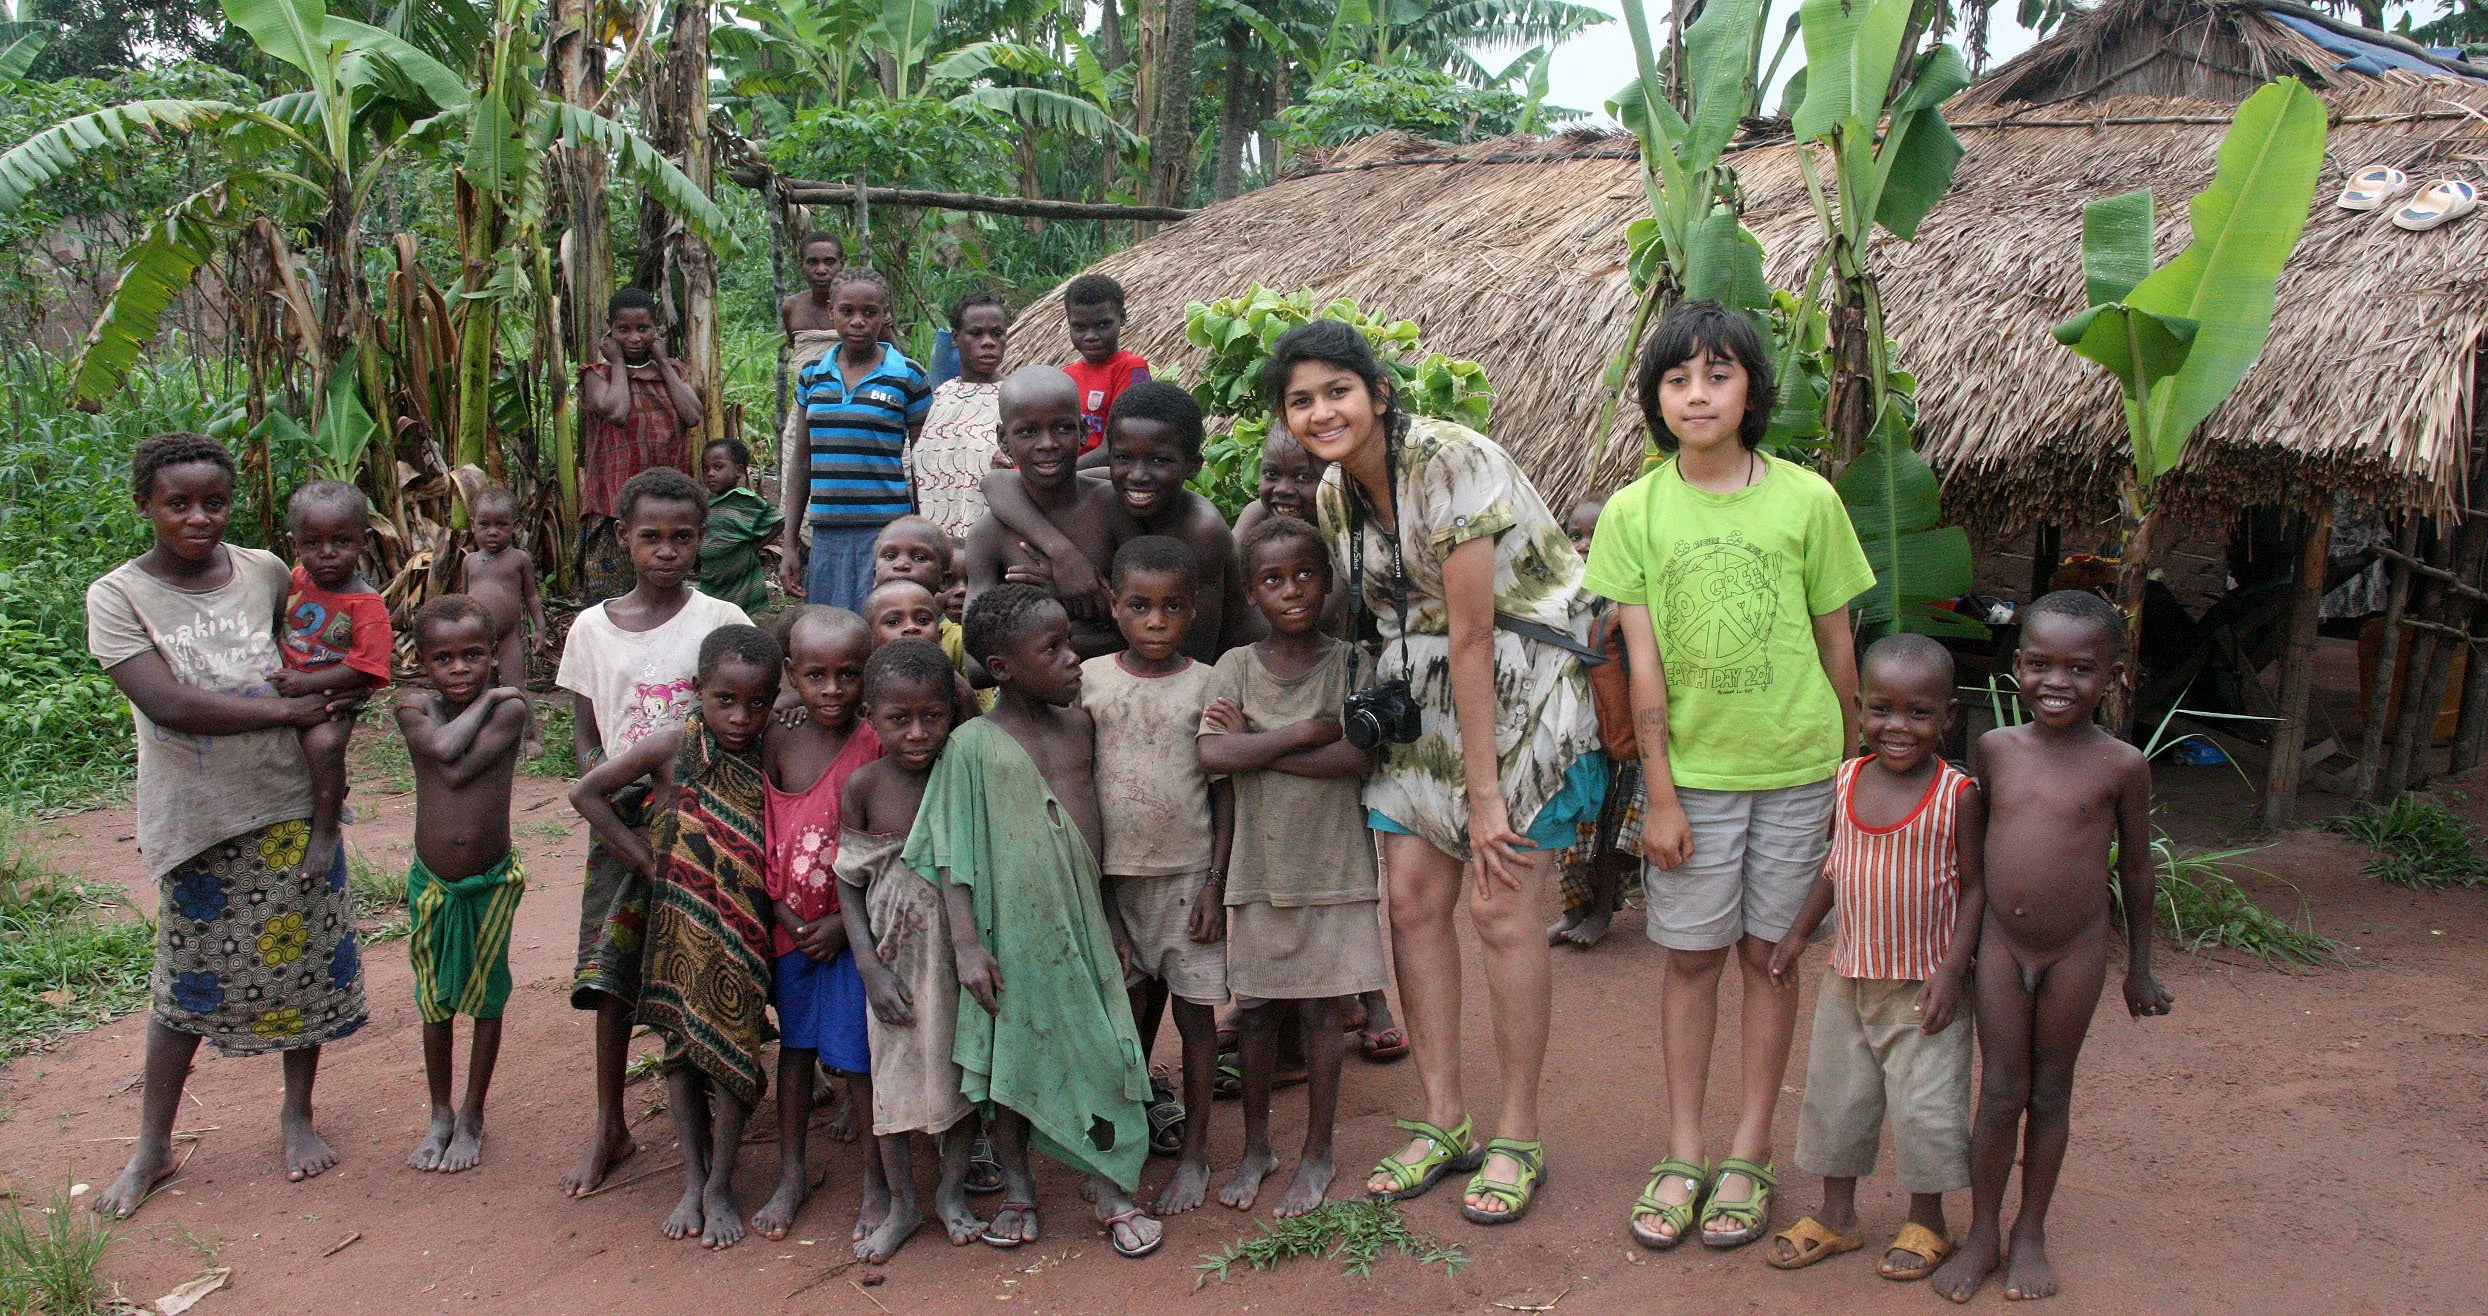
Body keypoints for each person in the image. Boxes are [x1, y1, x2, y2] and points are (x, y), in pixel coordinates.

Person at [1274, 321, 1597, 1227]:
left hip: (1522, 685)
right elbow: (1392, 624)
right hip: (1424, 693)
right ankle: (1445, 1118)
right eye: (1301, 400)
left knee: (1499, 906)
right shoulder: (1337, 494)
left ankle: (1518, 1133)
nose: (1320, 411)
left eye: (1336, 390)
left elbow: (1477, 630)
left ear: (1378, 391)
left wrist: (1486, 794)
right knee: (1412, 905)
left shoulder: (1450, 457)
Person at [1584, 302, 1877, 1251]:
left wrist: (1852, 771)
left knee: (1770, 957)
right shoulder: (1636, 511)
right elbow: (1642, 663)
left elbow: (1840, 641)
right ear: (1655, 397)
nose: (1697, 394)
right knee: (1692, 961)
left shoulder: (1807, 500)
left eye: (1718, 374)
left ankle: (1749, 1150)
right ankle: (1682, 1151)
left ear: (1752, 387)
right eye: (1677, 378)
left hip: (1798, 770)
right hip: (1694, 783)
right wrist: (1660, 794)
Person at [87, 433, 368, 1220]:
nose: (198, 518)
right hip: (199, 817)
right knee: (186, 986)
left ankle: (296, 1112)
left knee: (306, 960)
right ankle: (153, 1146)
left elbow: (328, 635)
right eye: (178, 504)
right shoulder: (117, 597)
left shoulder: (267, 571)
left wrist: (344, 690)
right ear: (145, 504)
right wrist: (290, 708)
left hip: (288, 801)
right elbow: (168, 703)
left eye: (214, 502)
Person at [905, 584, 1164, 1259]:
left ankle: (1109, 1186)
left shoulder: (1081, 727)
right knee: (1012, 1063)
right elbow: (951, 856)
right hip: (1005, 937)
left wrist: (1112, 919)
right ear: (1003, 666)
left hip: (1081, 925)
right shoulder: (969, 746)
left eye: (1069, 644)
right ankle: (1019, 1188)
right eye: (1053, 649)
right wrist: (965, 945)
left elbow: (1093, 839)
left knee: (1107, 1049)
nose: (1074, 659)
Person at [1930, 591, 2173, 1303]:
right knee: (2000, 1090)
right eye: (2039, 664)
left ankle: (2030, 1230)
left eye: (2080, 668)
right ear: (2018, 667)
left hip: (2076, 951)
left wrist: (2142, 969)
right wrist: (1954, 954)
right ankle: (1982, 1233)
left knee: (2051, 1089)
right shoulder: (1995, 749)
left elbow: (2135, 868)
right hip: (2003, 946)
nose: (2057, 682)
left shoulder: (2122, 765)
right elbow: (1972, 860)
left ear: (2114, 676)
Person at [555, 468, 754, 1198]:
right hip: (620, 820)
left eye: (682, 538)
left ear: (701, 542)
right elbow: (585, 735)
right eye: (650, 537)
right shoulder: (591, 628)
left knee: (718, 953)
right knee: (613, 971)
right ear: (621, 537)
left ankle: (730, 1079)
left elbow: (749, 713)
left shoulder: (721, 618)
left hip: (707, 821)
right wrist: (614, 797)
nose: (666, 552)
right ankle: (611, 1122)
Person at [1761, 634, 1985, 1279]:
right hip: (1848, 976)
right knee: (1838, 1096)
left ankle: (1928, 1220)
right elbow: (1835, 868)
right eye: (1882, 709)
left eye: (1920, 713)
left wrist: (1950, 971)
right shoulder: (1848, 778)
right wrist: (1800, 934)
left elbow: (1975, 888)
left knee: (1926, 1105)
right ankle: (1838, 1217)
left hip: (1924, 986)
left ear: (1948, 717)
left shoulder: (1956, 794)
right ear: (1859, 710)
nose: (1898, 726)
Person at [572, 624, 785, 1249]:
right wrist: (646, 859)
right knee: (681, 1057)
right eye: (725, 701)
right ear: (698, 691)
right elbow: (586, 792)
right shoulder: (670, 747)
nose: (741, 717)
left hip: (744, 931)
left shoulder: (773, 750)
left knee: (732, 1052)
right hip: (675, 926)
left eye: (757, 702)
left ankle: (722, 1184)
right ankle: (693, 1180)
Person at [1197, 516, 1387, 1219]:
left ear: (1328, 578)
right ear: (1251, 591)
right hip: (1256, 871)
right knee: (1253, 1014)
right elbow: (1214, 755)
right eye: (1273, 580)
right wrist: (1307, 730)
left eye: (1305, 573)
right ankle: (1255, 1147)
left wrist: (1262, 742)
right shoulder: (1236, 667)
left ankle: (1319, 1152)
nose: (1292, 590)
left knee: (1319, 1014)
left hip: (1335, 870)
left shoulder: (1351, 666)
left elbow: (1358, 758)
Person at [1079, 537, 1229, 1215]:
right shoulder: (1089, 681)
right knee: (1126, 1024)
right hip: (1114, 883)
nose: (1157, 620)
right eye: (1140, 606)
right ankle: (1125, 1144)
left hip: (1188, 880)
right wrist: (1096, 895)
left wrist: (1215, 883)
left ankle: (1195, 1153)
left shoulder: (1208, 684)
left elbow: (1225, 791)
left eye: (1173, 606)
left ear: (1194, 609)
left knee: (1197, 1020)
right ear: (1114, 606)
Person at [836, 639, 985, 1260]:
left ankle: (951, 1194)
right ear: (870, 716)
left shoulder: (965, 773)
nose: (919, 732)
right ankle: (903, 1205)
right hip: (895, 969)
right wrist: (869, 967)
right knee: (895, 1089)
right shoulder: (864, 786)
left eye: (934, 716)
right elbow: (847, 883)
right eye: (900, 719)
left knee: (963, 1081)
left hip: (962, 964)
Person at [748, 605, 883, 1242]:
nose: (833, 691)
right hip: (790, 928)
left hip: (855, 932)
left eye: (849, 675)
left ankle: (878, 1182)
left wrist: (840, 923)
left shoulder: (878, 741)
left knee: (856, 1062)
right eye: (817, 676)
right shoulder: (777, 738)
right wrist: (782, 912)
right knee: (797, 1051)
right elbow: (763, 840)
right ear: (790, 676)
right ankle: (792, 1171)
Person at [393, 595, 532, 1174]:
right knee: (435, 1001)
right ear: (422, 662)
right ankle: (440, 1112)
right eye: (443, 659)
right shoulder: (413, 708)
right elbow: (447, 755)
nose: (460, 670)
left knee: (485, 995)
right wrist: (494, 693)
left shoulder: (511, 712)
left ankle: (472, 1114)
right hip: (431, 883)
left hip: (491, 880)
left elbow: (458, 762)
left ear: (494, 655)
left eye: (474, 656)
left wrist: (500, 697)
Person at [983, 380, 1252, 659]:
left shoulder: (1199, 529)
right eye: (1123, 457)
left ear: (1193, 466)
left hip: (1237, 668)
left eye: (1159, 461)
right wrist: (1065, 557)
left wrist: (1072, 609)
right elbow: (997, 482)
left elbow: (1184, 653)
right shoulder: (1112, 484)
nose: (1137, 475)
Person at [780, 266, 932, 611]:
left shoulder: (907, 376)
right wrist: (789, 542)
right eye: (847, 311)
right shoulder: (812, 376)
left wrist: (924, 537)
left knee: (885, 624)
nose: (858, 321)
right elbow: (803, 460)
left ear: (885, 315)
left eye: (870, 312)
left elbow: (925, 466)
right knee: (830, 631)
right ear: (831, 312)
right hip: (827, 533)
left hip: (888, 534)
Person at [275, 479, 393, 879]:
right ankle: (330, 795)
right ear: (296, 543)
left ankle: (325, 829)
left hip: (331, 697)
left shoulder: (366, 603)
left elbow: (369, 665)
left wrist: (308, 683)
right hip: (287, 689)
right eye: (313, 543)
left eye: (340, 541)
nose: (327, 554)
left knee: (324, 746)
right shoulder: (293, 582)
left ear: (363, 540)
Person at [961, 367, 1123, 657]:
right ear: (1003, 439)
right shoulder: (989, 536)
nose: (1047, 444)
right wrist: (1057, 607)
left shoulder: (1113, 508)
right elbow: (977, 661)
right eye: (1027, 431)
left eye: (1062, 428)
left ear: (1083, 429)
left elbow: (1158, 629)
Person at [1547, 495, 1644, 950]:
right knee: (1574, 833)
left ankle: (1602, 910)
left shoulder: (1632, 598)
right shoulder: (1561, 595)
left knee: (1610, 834)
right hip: (1577, 734)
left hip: (1623, 738)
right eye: (1576, 536)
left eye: (1596, 535)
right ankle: (1573, 910)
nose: (1584, 546)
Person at [581, 287, 704, 604]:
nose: (634, 338)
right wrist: (618, 362)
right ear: (610, 329)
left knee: (664, 594)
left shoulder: (672, 371)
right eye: (624, 330)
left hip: (668, 507)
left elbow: (692, 415)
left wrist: (662, 362)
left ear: (656, 329)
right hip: (614, 509)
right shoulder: (597, 375)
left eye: (643, 329)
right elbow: (617, 410)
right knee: (612, 598)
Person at [778, 231, 849, 577]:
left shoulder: (859, 307)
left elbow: (890, 351)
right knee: (804, 485)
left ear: (842, 264)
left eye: (829, 261)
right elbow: (802, 356)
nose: (822, 269)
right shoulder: (792, 306)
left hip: (854, 412)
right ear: (802, 265)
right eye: (813, 262)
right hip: (808, 413)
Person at [913, 292, 1012, 540]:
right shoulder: (944, 394)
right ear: (956, 338)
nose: (988, 342)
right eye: (976, 333)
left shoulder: (1016, 398)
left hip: (990, 542)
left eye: (996, 334)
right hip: (935, 542)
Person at [461, 486, 547, 757]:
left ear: (515, 527)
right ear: (473, 525)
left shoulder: (518, 559)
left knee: (514, 687)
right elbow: (465, 598)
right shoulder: (469, 562)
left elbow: (531, 596)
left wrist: (540, 628)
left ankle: (527, 738)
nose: (493, 532)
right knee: (480, 686)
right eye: (485, 525)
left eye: (501, 525)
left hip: (509, 636)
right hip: (477, 638)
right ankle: (484, 736)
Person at [1061, 273, 1149, 467]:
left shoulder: (1131, 368)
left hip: (1104, 474)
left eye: (1102, 325)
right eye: (1079, 327)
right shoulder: (1067, 376)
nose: (1091, 336)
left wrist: (1060, 475)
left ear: (1122, 318)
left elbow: (1117, 446)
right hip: (1068, 470)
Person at [698, 437, 784, 614]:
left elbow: (779, 521)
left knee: (739, 616)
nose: (710, 474)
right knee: (713, 614)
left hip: (740, 576)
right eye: (705, 469)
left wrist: (753, 546)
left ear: (739, 470)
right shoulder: (705, 502)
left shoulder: (743, 499)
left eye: (718, 467)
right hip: (712, 574)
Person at [1229, 427, 1327, 541]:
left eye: (1303, 477)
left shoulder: (1345, 526)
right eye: (1272, 474)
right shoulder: (1257, 515)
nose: (1282, 489)